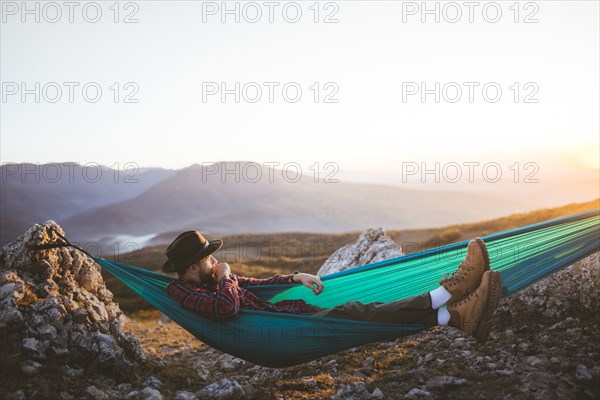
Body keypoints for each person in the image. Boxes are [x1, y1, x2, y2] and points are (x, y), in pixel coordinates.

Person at [163, 231, 503, 343]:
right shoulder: (184, 292)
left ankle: (455, 317)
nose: (215, 262)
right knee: (359, 313)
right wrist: (224, 276)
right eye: (209, 260)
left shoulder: (209, 280)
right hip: (283, 333)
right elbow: (227, 308)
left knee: (366, 313)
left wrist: (295, 277)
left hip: (291, 316)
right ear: (194, 267)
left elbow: (254, 284)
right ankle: (449, 292)